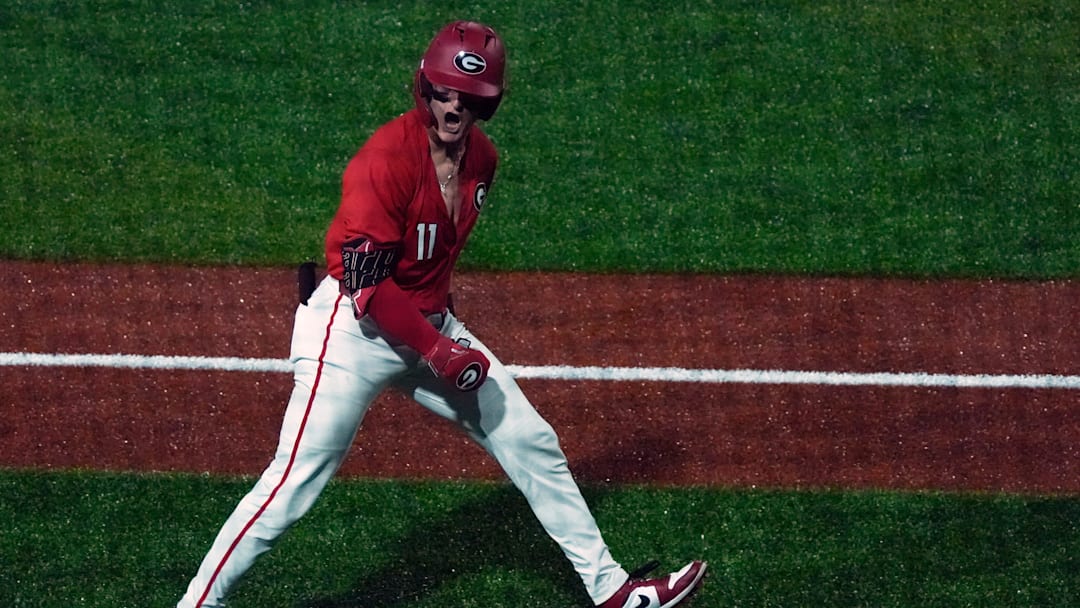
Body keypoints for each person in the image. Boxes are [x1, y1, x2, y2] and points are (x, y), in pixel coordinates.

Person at [176, 20, 706, 608]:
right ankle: (198, 602)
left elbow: (432, 258)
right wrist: (438, 351)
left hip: (427, 327)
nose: (454, 106)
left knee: (529, 439)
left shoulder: (482, 160)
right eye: (444, 92)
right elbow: (368, 285)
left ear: (488, 102)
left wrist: (440, 329)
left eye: (469, 96)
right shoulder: (384, 160)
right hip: (350, 332)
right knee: (293, 484)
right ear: (425, 88)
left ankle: (611, 591)